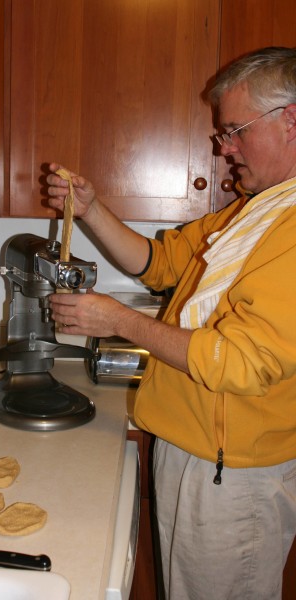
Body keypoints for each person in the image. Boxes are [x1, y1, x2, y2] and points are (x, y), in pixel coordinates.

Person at [47, 47, 296, 600]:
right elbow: (159, 263)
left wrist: (119, 320)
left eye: (235, 130)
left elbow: (239, 362)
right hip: (191, 451)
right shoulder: (254, 211)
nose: (225, 147)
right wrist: (90, 209)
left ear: (291, 120)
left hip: (231, 478)